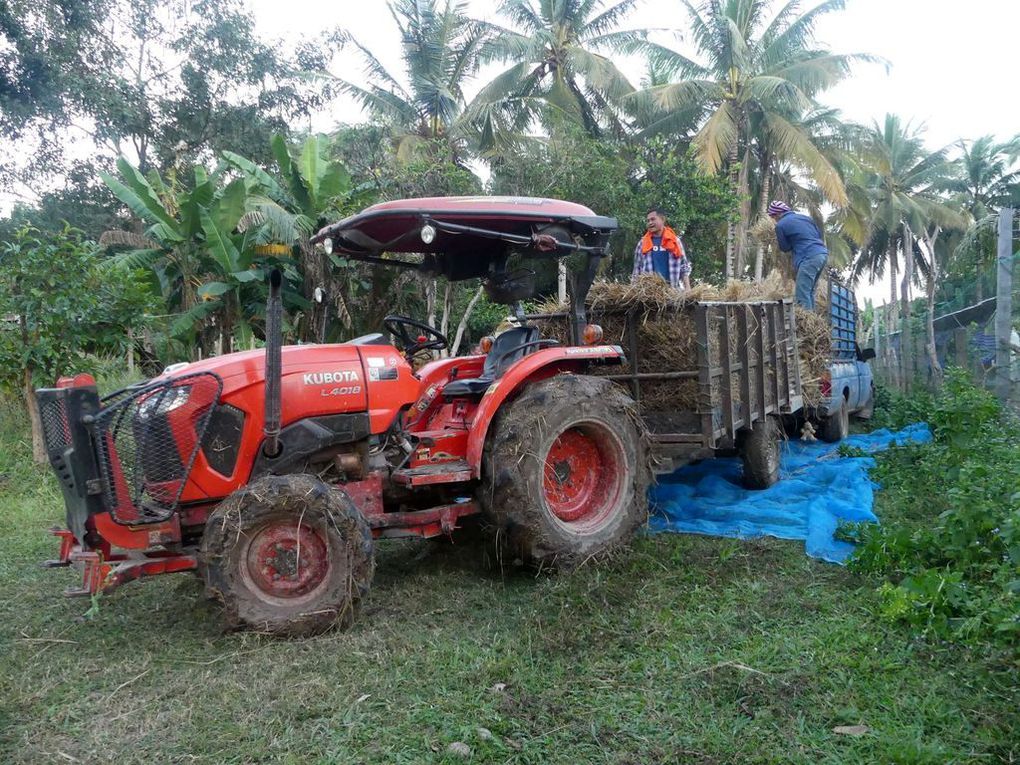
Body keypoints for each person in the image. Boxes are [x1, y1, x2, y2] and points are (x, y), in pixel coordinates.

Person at [768, 200, 828, 309]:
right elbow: (817, 235)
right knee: (809, 291)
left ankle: (806, 322)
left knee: (802, 292)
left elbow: (784, 248)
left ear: (778, 214)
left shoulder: (780, 226)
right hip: (822, 253)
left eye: (773, 217)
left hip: (808, 257)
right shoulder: (806, 219)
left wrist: (791, 243)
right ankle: (813, 321)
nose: (774, 220)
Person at [631, 207, 691, 290]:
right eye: (648, 221)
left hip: (672, 293)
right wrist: (633, 291)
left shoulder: (675, 241)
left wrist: (688, 289)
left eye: (653, 219)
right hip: (649, 295)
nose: (650, 223)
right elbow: (637, 270)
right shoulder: (642, 243)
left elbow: (684, 267)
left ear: (662, 219)